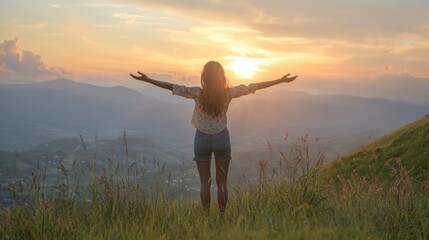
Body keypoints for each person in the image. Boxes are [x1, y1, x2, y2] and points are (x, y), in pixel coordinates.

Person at [130, 61, 297, 213]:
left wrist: (148, 80)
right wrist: (279, 80)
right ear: (222, 77)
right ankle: (222, 217)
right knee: (222, 183)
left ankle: (206, 216)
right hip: (222, 139)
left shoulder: (197, 93)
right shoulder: (228, 93)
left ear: (205, 77)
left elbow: (171, 86)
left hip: (201, 139)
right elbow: (254, 86)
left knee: (205, 183)